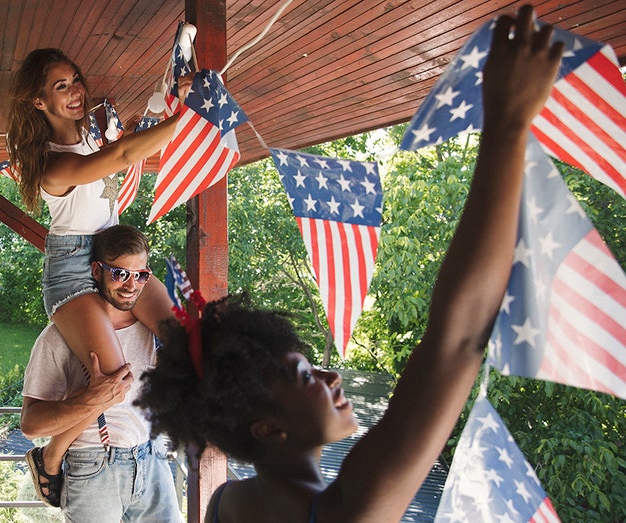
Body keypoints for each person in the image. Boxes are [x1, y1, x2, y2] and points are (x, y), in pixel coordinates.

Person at [136, 6, 564, 522]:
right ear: (269, 430)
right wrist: (509, 121)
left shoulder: (230, 504)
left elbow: (459, 341)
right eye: (303, 374)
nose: (332, 375)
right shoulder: (344, 512)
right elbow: (458, 340)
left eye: (307, 368)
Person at [6, 47, 191, 505]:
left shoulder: (89, 138)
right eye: (60, 87)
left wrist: (175, 99)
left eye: (75, 80)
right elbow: (126, 153)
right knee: (113, 382)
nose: (75, 92)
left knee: (184, 335)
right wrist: (190, 120)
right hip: (72, 271)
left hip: (110, 253)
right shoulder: (53, 164)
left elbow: (127, 142)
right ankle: (51, 457)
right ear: (39, 102)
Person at [20, 224, 182, 521]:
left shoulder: (151, 332)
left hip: (151, 458)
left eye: (140, 275)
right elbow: (31, 425)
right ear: (97, 271)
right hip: (92, 466)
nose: (130, 285)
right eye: (120, 273)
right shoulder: (59, 336)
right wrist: (88, 400)